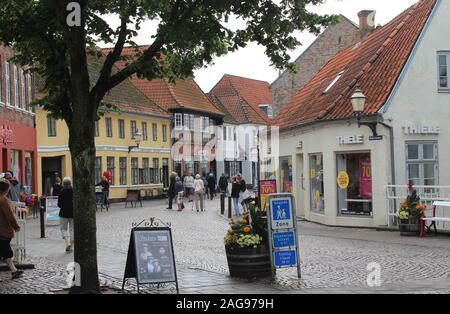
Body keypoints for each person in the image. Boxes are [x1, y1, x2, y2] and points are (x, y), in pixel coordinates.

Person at [0, 179, 24, 279]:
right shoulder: (3, 200)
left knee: (6, 252)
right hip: (3, 231)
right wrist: (16, 226)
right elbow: (10, 216)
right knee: (5, 251)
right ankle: (14, 271)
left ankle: (14, 271)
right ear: (6, 189)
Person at [58, 177, 74, 253]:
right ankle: (72, 245)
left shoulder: (62, 191)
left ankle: (67, 243)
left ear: (63, 183)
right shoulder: (74, 191)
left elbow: (59, 204)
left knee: (63, 228)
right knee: (72, 229)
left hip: (63, 213)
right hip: (73, 213)